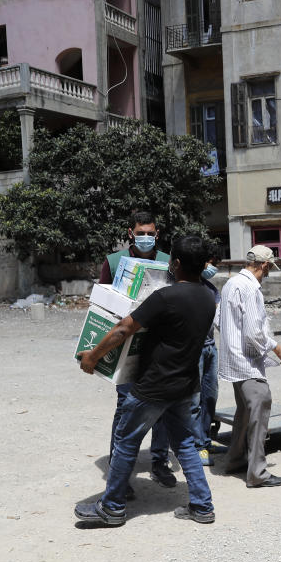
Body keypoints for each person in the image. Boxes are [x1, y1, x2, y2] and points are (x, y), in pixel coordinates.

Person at [74, 235, 217, 526]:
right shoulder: (208, 296)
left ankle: (112, 507)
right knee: (186, 445)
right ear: (203, 265)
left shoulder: (165, 297)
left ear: (175, 264)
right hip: (186, 385)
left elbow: (123, 330)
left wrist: (93, 356)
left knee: (126, 441)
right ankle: (202, 507)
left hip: (154, 386)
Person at [100, 211, 177, 492]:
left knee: (163, 410)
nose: (146, 237)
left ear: (157, 233)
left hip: (160, 347)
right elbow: (104, 304)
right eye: (140, 232)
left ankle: (159, 463)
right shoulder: (114, 262)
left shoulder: (168, 262)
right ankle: (119, 474)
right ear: (130, 232)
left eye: (151, 232)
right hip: (127, 348)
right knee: (125, 409)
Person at [218, 245, 281, 488]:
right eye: (269, 267)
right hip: (247, 363)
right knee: (260, 409)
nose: (268, 271)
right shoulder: (250, 289)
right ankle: (258, 472)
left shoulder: (230, 284)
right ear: (264, 265)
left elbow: (219, 319)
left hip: (234, 361)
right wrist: (277, 348)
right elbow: (253, 332)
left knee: (245, 412)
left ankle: (235, 460)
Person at [194, 250, 226, 466]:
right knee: (194, 399)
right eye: (210, 262)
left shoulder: (212, 290)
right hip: (193, 350)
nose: (213, 267)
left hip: (210, 348)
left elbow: (220, 320)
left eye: (216, 264)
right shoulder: (188, 287)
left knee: (210, 396)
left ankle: (206, 439)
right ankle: (197, 446)